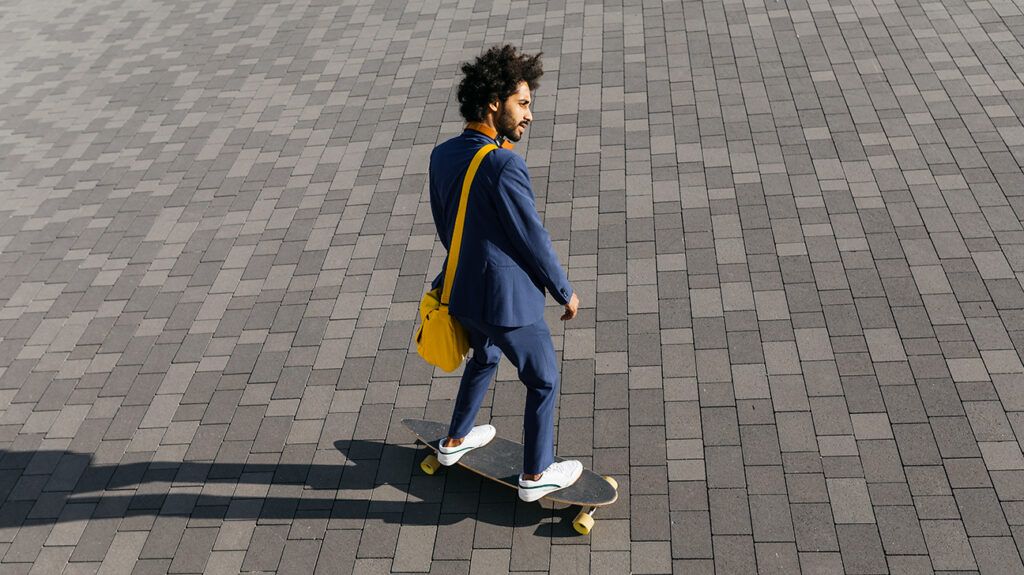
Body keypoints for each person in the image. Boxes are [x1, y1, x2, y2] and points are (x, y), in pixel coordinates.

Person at [427, 45, 582, 502]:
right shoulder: (504, 163)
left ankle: (455, 441)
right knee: (544, 379)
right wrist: (564, 291)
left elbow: (445, 223)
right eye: (524, 102)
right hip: (506, 301)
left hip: (462, 293)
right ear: (494, 102)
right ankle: (536, 475)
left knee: (486, 356)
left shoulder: (443, 154)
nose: (530, 114)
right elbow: (531, 237)